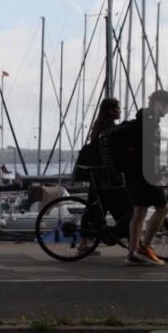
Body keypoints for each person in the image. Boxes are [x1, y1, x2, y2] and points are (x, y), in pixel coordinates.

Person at [119, 90, 168, 266]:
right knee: (163, 209)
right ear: (159, 103)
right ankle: (144, 248)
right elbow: (149, 153)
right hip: (145, 174)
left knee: (140, 211)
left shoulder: (142, 119)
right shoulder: (150, 122)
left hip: (132, 173)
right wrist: (156, 176)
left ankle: (133, 254)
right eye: (167, 106)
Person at [74, 98, 121, 253]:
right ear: (110, 110)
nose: (119, 111)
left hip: (98, 172)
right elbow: (110, 151)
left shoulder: (101, 125)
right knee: (109, 205)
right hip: (103, 173)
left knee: (95, 206)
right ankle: (135, 242)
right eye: (117, 108)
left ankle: (84, 242)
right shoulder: (107, 127)